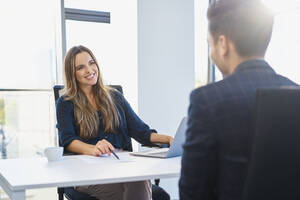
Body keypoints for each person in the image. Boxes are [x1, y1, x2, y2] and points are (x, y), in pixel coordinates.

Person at [179, 0, 298, 200]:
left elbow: (193, 191)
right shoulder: (295, 92)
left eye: (210, 44)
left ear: (223, 44)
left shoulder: (207, 100)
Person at [56, 45, 173, 200]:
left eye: (92, 63)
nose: (90, 70)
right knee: (138, 182)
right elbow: (67, 140)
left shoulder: (114, 97)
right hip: (87, 173)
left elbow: (142, 132)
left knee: (138, 179)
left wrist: (170, 139)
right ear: (72, 73)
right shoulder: (65, 102)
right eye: (80, 67)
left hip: (121, 167)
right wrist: (94, 148)